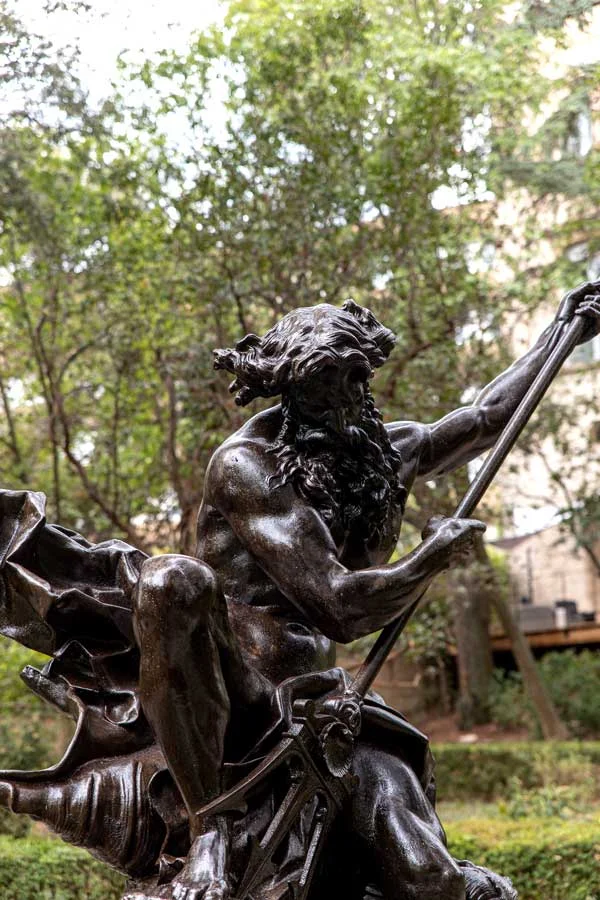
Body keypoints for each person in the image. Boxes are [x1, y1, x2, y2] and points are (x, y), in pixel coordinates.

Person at [0, 284, 598, 900]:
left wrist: (564, 331)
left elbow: (484, 420)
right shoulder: (247, 466)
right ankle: (211, 829)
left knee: (432, 882)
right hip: (238, 689)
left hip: (321, 699)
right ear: (286, 389)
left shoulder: (386, 451)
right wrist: (431, 557)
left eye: (353, 378)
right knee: (172, 579)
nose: (341, 399)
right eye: (320, 384)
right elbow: (338, 605)